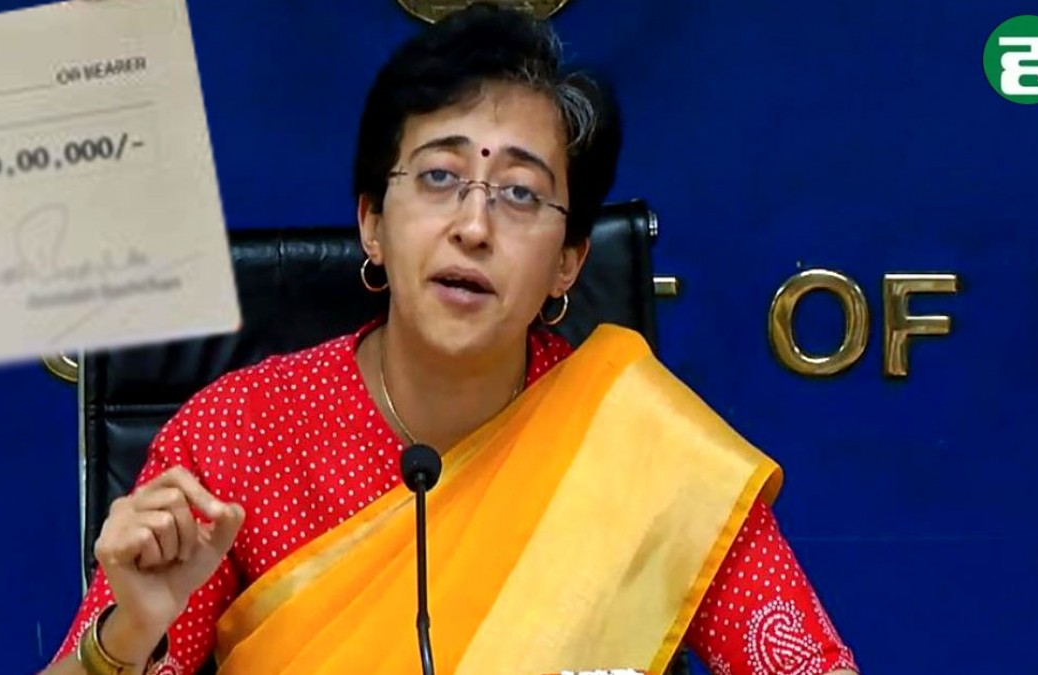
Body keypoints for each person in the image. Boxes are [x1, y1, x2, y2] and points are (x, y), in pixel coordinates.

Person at [44, 4, 859, 674]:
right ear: (373, 222)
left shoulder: (640, 448)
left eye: (520, 193)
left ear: (569, 261)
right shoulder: (240, 434)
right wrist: (128, 634)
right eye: (439, 177)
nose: (473, 226)